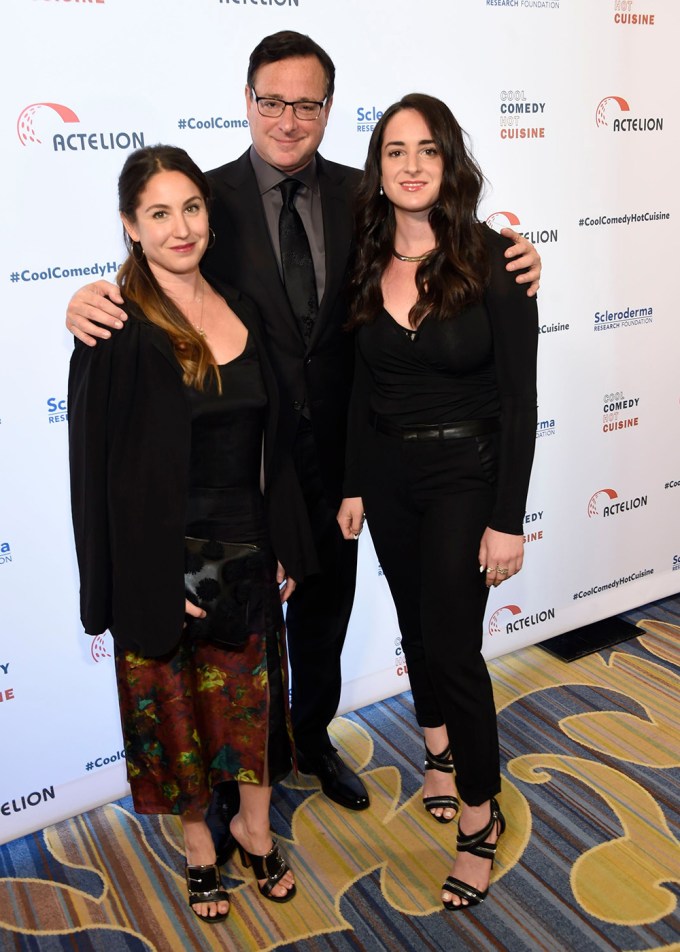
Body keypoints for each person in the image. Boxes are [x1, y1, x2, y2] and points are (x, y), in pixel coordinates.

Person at [64, 32, 542, 843]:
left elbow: (446, 256)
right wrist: (86, 303)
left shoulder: (369, 195)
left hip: (353, 462)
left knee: (326, 616)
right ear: (247, 101)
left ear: (329, 107)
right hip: (248, 465)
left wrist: (519, 255)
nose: (289, 119)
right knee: (224, 633)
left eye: (308, 103)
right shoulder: (204, 198)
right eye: (272, 101)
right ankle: (225, 785)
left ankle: (311, 739)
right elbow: (157, 273)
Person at [68, 145, 318, 922]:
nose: (181, 228)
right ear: (130, 226)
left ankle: (251, 824)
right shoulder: (116, 326)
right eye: (159, 213)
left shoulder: (244, 301)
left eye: (192, 208)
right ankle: (199, 847)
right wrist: (143, 581)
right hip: (165, 562)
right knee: (179, 718)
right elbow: (95, 475)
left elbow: (274, 443)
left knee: (253, 709)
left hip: (248, 553)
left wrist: (283, 542)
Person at [337, 94, 539, 912]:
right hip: (389, 481)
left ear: (449, 162)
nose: (411, 165)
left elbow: (521, 400)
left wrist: (507, 518)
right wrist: (353, 480)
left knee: (455, 650)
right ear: (378, 169)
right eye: (394, 151)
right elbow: (359, 385)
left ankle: (479, 821)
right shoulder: (364, 258)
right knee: (417, 630)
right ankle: (437, 756)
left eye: (427, 149)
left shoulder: (498, 260)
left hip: (467, 478)